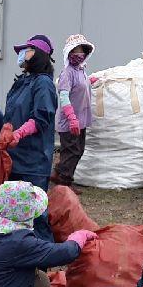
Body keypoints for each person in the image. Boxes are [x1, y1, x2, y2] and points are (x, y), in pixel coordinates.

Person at [4, 34, 59, 240]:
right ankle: (17, 258)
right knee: (14, 212)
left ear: (38, 54)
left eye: (26, 51)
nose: (22, 55)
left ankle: (43, 263)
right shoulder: (23, 82)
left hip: (33, 161)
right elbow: (12, 113)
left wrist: (19, 132)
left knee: (36, 215)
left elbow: (42, 116)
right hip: (15, 158)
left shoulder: (43, 83)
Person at [50, 34, 95, 186]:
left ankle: (58, 173)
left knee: (78, 150)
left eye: (81, 50)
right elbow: (63, 96)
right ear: (68, 53)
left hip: (80, 120)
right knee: (71, 152)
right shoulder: (67, 73)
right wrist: (71, 118)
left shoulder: (81, 71)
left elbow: (81, 86)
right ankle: (64, 185)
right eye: (75, 50)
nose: (79, 53)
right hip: (69, 121)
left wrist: (91, 81)